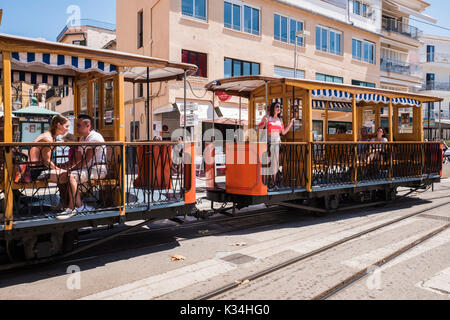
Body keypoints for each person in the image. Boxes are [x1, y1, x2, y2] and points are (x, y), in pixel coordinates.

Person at [29, 115, 82, 217]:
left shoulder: (49, 136)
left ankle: (64, 204)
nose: (68, 129)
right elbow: (47, 161)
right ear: (58, 125)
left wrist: (59, 169)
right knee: (70, 176)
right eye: (66, 126)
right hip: (37, 172)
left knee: (64, 175)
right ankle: (72, 208)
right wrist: (59, 169)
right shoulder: (48, 139)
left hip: (35, 169)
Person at [258, 102, 295, 190]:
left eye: (280, 107)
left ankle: (273, 183)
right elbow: (259, 128)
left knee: (275, 163)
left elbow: (283, 132)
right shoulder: (266, 117)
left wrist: (290, 123)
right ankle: (264, 182)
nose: (279, 108)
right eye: (277, 106)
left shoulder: (280, 120)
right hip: (268, 140)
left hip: (276, 141)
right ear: (273, 108)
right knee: (266, 163)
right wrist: (264, 124)